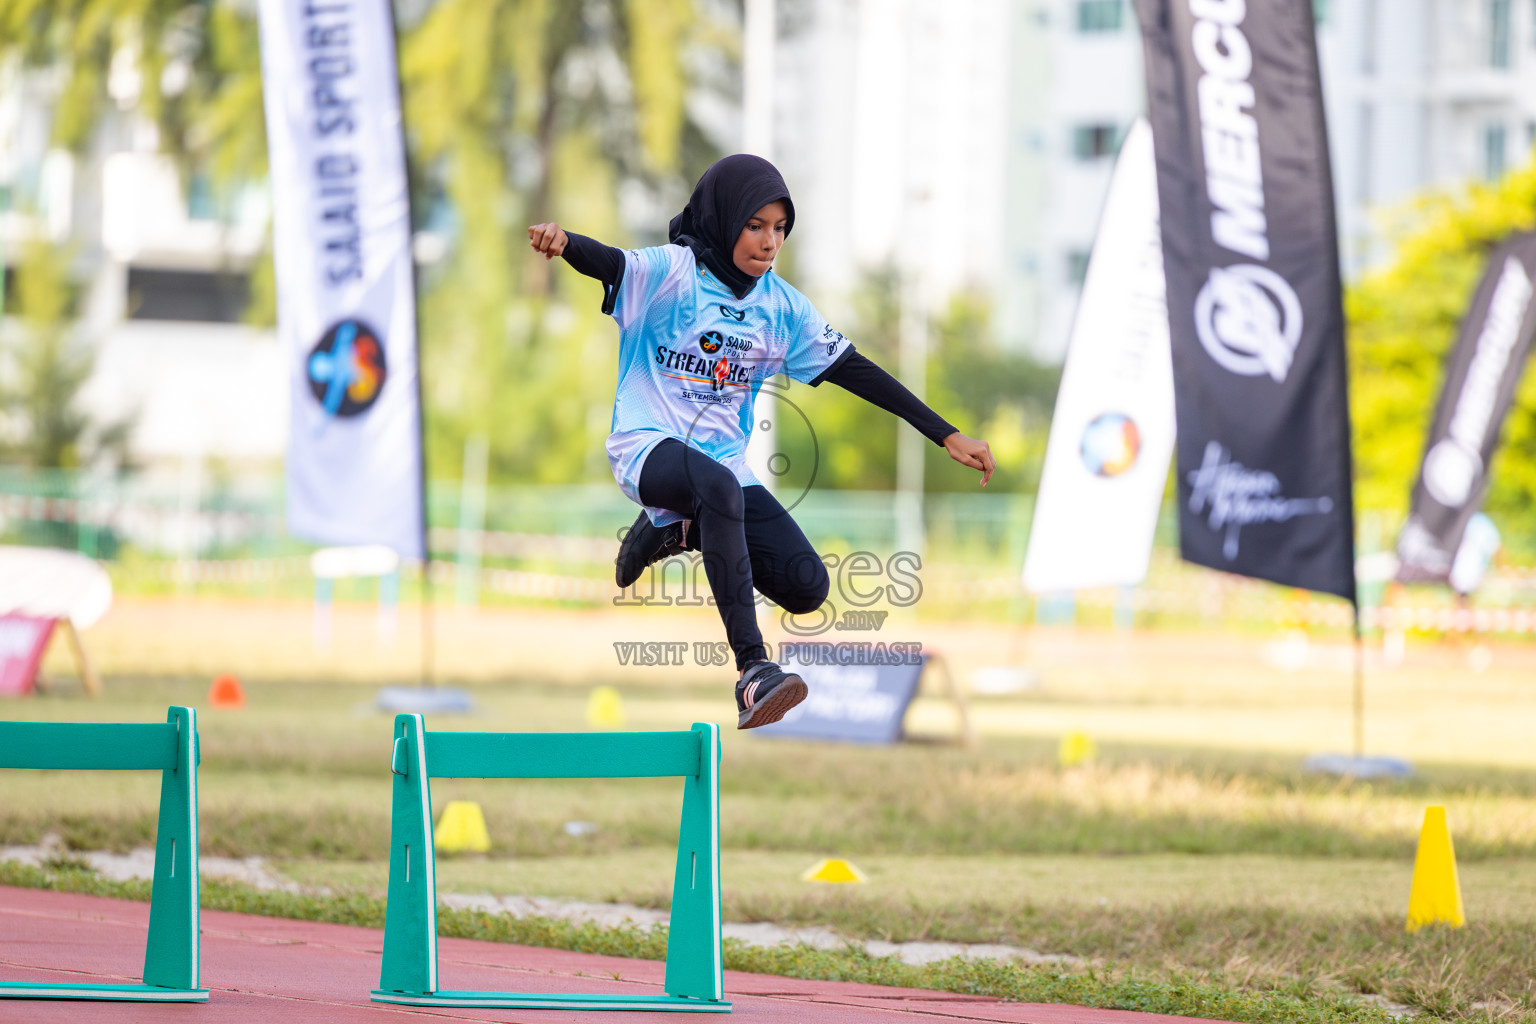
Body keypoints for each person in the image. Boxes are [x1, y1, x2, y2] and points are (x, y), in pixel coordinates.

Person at [528, 154, 994, 729]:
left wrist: (946, 433)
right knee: (716, 485)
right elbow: (611, 262)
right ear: (724, 221)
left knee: (808, 588)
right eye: (755, 226)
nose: (770, 242)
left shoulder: (782, 307)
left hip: (722, 468)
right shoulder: (673, 273)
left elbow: (856, 370)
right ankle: (753, 672)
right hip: (647, 445)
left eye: (780, 228)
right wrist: (565, 242)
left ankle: (674, 527)